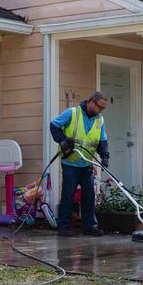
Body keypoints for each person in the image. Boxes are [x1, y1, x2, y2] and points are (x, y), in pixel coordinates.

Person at [49, 91, 110, 236]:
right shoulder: (72, 113)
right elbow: (54, 125)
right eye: (99, 107)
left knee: (89, 196)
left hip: (87, 163)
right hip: (70, 162)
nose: (101, 111)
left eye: (103, 108)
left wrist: (105, 156)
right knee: (68, 195)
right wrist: (63, 141)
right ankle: (64, 226)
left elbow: (102, 141)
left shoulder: (99, 120)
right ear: (91, 102)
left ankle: (89, 227)